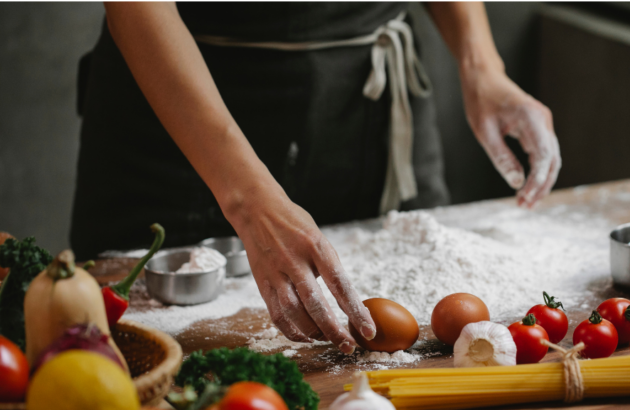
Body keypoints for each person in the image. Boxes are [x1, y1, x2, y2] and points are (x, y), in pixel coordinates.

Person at [71, 1, 561, 355]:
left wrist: (482, 65)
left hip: (366, 100)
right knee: (146, 345)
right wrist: (246, 198)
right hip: (183, 104)